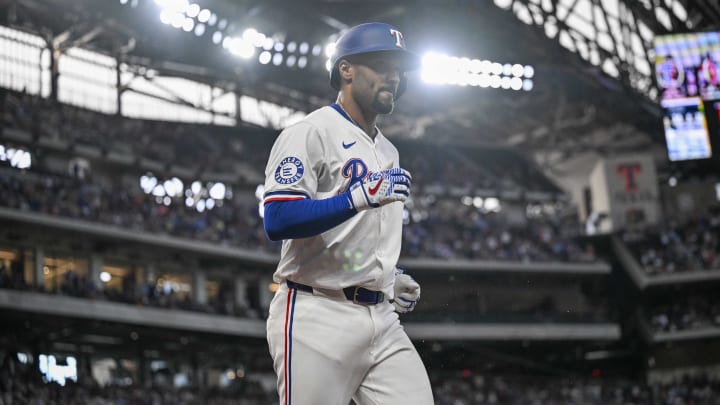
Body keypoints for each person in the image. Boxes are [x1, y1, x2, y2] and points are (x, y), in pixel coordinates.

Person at [262, 22, 434, 405]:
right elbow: (277, 220)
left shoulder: (388, 150)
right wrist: (357, 198)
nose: (395, 76)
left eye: (399, 69)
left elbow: (362, 234)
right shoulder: (310, 131)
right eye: (382, 65)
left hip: (381, 319)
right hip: (316, 312)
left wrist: (388, 278)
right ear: (346, 69)